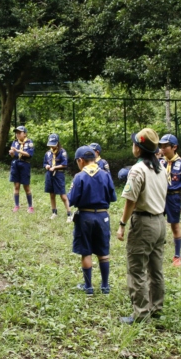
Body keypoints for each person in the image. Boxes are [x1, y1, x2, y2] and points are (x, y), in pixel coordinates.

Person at [116, 128, 167, 324]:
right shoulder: (160, 168)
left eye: (134, 144)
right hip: (160, 222)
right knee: (156, 269)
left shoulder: (137, 170)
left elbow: (130, 201)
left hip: (144, 223)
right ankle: (156, 309)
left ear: (138, 149)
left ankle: (141, 314)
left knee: (136, 269)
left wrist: (122, 224)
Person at [68, 145, 117, 296]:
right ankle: (105, 287)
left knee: (86, 251)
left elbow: (71, 199)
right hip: (103, 217)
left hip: (85, 217)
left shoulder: (79, 177)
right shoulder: (105, 175)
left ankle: (88, 287)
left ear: (81, 161)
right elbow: (113, 197)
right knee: (103, 252)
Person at [158, 134, 181, 267]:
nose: (163, 149)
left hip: (174, 197)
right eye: (161, 146)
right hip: (160, 197)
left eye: (166, 146)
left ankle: (177, 255)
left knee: (174, 225)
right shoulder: (160, 162)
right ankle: (157, 252)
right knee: (157, 223)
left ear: (174, 147)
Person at [43, 134, 72, 222]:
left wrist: (55, 167)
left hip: (59, 175)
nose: (52, 145)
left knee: (63, 195)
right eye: (50, 144)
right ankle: (54, 212)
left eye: (54, 144)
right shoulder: (48, 153)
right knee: (52, 194)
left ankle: (69, 214)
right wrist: (47, 166)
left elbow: (64, 164)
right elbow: (44, 163)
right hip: (49, 175)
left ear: (58, 142)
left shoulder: (62, 152)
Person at [9, 126, 35, 213]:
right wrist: (12, 153)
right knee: (16, 186)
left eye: (20, 133)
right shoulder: (15, 142)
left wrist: (18, 151)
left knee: (26, 186)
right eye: (16, 133)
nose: (17, 134)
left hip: (25, 164)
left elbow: (29, 154)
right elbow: (12, 155)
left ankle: (30, 206)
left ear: (25, 134)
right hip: (15, 164)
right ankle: (16, 205)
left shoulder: (29, 142)